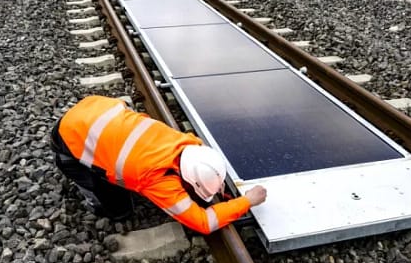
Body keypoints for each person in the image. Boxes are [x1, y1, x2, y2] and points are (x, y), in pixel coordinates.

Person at [50, 95, 267, 234]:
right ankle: (82, 180)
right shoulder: (158, 179)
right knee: (119, 211)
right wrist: (247, 201)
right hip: (67, 136)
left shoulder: (185, 142)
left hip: (98, 106)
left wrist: (214, 178)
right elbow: (204, 223)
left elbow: (200, 147)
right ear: (185, 180)